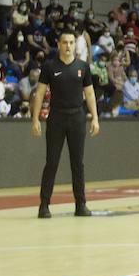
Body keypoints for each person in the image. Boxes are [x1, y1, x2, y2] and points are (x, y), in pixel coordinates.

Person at [29, 31, 100, 218]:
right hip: (56, 118)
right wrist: (35, 119)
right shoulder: (49, 66)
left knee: (78, 163)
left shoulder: (83, 67)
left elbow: (90, 94)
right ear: (59, 44)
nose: (68, 46)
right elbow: (40, 93)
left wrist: (95, 117)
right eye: (65, 42)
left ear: (75, 45)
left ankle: (80, 204)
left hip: (77, 117)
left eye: (71, 42)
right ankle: (44, 205)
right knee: (52, 162)